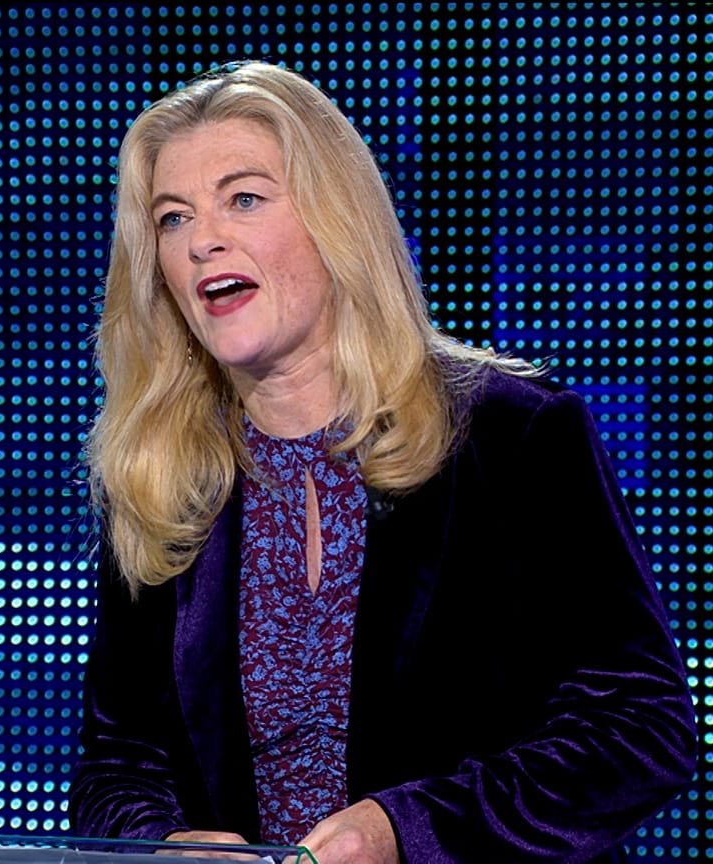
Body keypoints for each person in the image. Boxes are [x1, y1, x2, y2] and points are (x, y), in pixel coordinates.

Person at [70, 62, 695, 864]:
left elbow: (641, 726)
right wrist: (163, 842)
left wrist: (407, 831)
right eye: (171, 218)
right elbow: (116, 765)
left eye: (245, 199)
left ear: (338, 220)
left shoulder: (516, 434)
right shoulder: (161, 475)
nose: (202, 241)